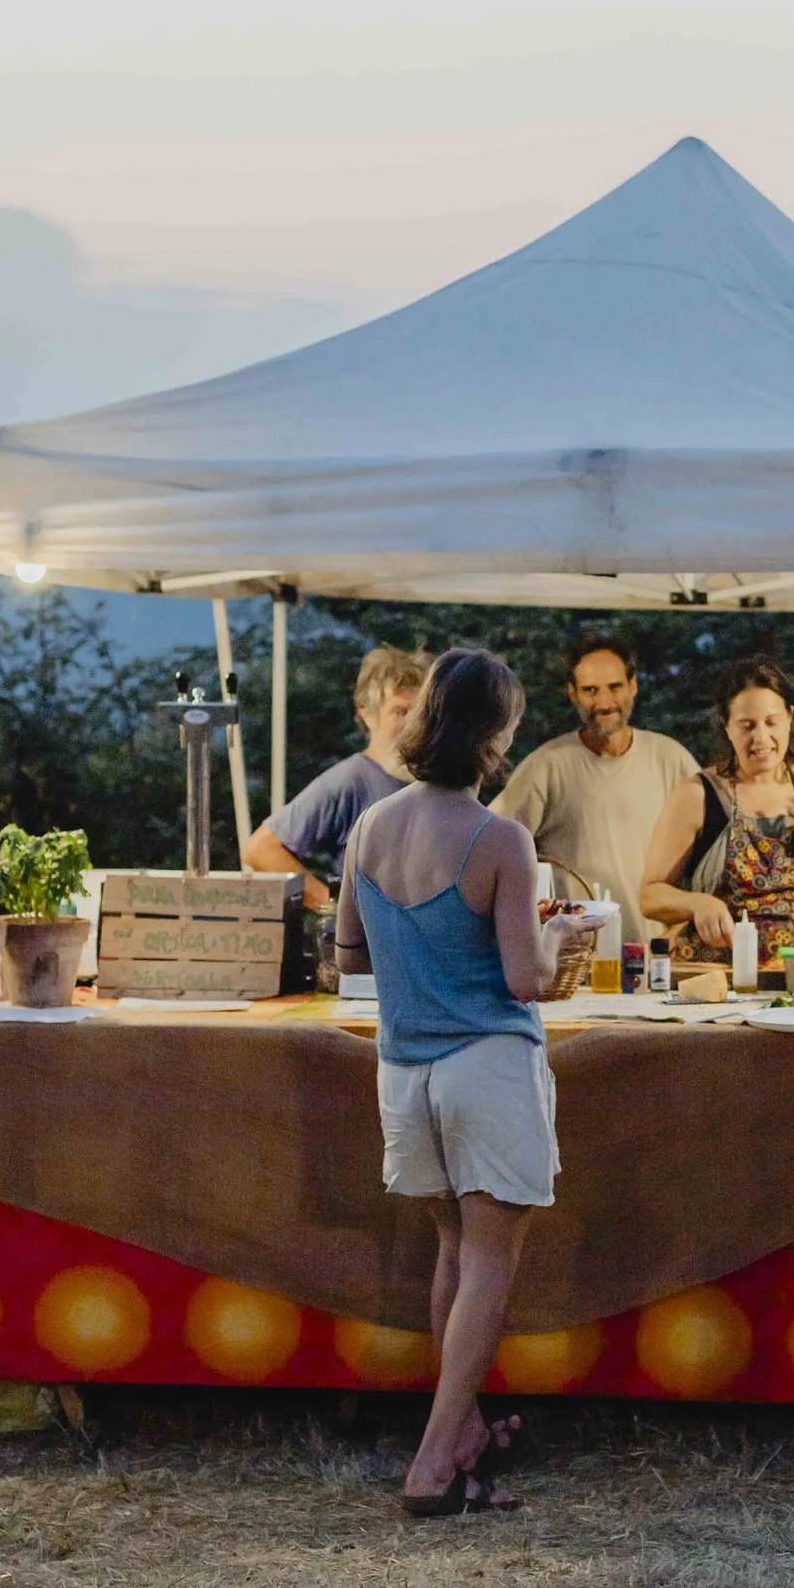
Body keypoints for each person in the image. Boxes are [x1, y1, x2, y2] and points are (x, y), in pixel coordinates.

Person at [331, 648, 600, 1517]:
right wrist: (559, 939)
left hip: (405, 1068)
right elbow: (526, 979)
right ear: (492, 736)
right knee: (489, 1260)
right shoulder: (499, 838)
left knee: (454, 1249)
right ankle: (434, 1458)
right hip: (486, 1063)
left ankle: (466, 1426)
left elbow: (346, 955)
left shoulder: (369, 829)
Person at [639, 656, 794, 965]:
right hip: (720, 975)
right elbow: (650, 896)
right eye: (747, 726)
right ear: (726, 726)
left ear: (790, 718)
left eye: (771, 722)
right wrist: (698, 903)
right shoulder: (698, 795)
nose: (760, 738)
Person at [492, 635, 697, 942]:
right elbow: (492, 842)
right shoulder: (546, 766)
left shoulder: (671, 759)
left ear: (633, 686)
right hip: (577, 964)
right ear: (572, 693)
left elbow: (717, 856)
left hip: (656, 959)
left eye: (614, 687)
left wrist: (683, 926)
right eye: (590, 690)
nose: (604, 703)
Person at [244, 646, 429, 908]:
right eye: (399, 712)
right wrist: (333, 909)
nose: (412, 725)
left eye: (420, 712)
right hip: (367, 945)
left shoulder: (430, 781)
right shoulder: (350, 779)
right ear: (367, 714)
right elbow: (261, 849)